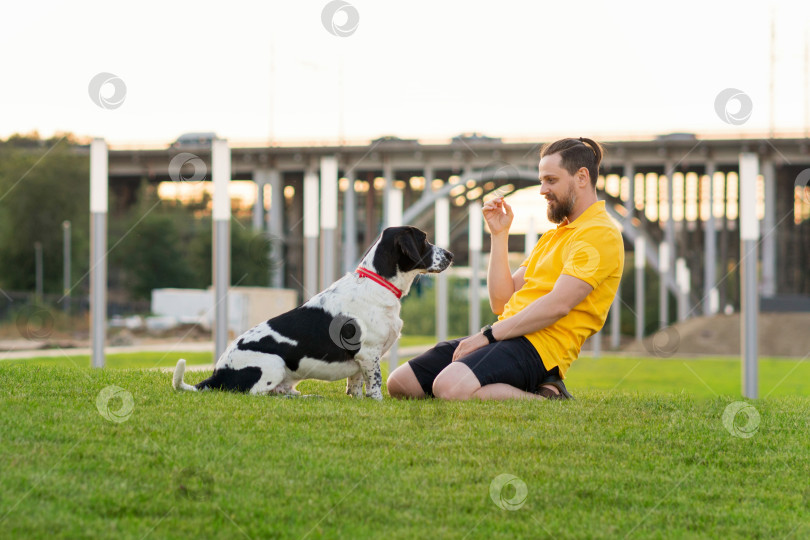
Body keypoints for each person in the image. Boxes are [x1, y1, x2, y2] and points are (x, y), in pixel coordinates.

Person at [386, 137, 624, 401]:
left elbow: (558, 305)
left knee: (449, 388)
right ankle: (533, 387)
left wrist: (486, 336)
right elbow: (501, 301)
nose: (542, 189)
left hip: (540, 348)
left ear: (581, 177)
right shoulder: (554, 236)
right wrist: (499, 235)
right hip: (508, 334)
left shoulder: (599, 234)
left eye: (551, 180)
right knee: (401, 383)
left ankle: (548, 400)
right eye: (542, 180)